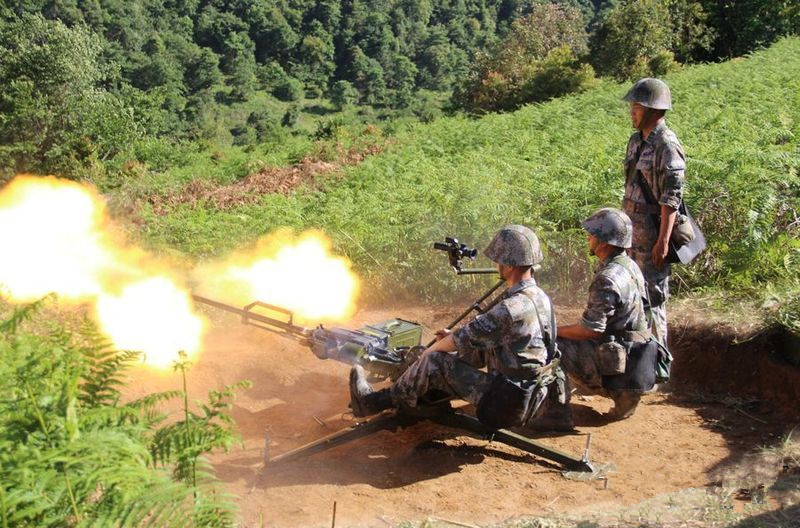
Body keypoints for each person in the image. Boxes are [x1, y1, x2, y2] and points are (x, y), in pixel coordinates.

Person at [349, 225, 572, 431]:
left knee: (433, 361)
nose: (496, 264)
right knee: (471, 348)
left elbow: (456, 341)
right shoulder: (540, 297)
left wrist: (425, 356)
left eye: (499, 260)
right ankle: (422, 388)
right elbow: (482, 337)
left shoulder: (511, 308)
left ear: (510, 264)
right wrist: (454, 339)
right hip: (533, 394)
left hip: (507, 404)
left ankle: (372, 403)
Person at [557, 208, 654, 419]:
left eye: (592, 235)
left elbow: (590, 330)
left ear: (605, 242)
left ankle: (556, 411)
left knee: (553, 344)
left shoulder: (608, 277)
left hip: (621, 363)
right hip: (639, 357)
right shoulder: (630, 266)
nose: (588, 238)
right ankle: (625, 398)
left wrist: (555, 330)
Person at [622, 77, 685, 347]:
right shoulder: (636, 142)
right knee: (633, 294)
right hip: (632, 231)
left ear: (653, 109)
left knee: (653, 298)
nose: (632, 111)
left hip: (653, 233)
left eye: (637, 106)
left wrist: (662, 241)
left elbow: (671, 198)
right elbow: (629, 188)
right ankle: (639, 361)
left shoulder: (667, 145)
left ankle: (658, 361)